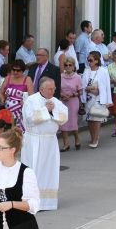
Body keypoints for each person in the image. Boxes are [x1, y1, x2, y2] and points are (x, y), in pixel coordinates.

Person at [21, 77, 68, 211]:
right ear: (41, 89)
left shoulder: (55, 101)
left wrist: (53, 111)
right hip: (34, 141)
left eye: (54, 88)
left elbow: (64, 117)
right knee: (34, 170)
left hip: (50, 142)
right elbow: (30, 119)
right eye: (50, 88)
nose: (53, 91)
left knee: (49, 171)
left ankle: (47, 203)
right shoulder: (31, 100)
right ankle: (32, 202)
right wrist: (45, 110)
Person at [81, 51, 112, 148]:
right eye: (88, 60)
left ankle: (95, 139)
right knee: (89, 119)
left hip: (99, 98)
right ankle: (92, 137)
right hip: (88, 97)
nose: (89, 62)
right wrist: (88, 89)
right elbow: (83, 85)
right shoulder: (86, 70)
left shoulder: (103, 71)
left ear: (96, 61)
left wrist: (108, 101)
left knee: (96, 118)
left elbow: (107, 86)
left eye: (91, 60)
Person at [0, 59, 34, 132]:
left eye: (18, 70)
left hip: (21, 111)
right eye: (13, 70)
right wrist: (2, 99)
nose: (15, 72)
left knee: (20, 131)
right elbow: (1, 92)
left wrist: (25, 102)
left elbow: (31, 97)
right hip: (7, 110)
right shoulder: (8, 78)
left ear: (23, 70)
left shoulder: (27, 79)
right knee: (7, 131)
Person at [59, 56, 83, 151]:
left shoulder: (77, 77)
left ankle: (77, 138)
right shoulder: (60, 76)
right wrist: (62, 95)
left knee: (73, 121)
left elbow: (80, 91)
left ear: (73, 66)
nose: (68, 67)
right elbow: (57, 89)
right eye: (66, 65)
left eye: (70, 65)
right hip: (62, 100)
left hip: (73, 101)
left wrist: (72, 95)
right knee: (63, 121)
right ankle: (66, 144)